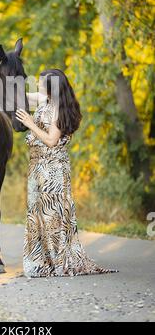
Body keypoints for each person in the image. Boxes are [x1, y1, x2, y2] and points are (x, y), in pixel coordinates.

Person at [16, 69, 117, 278]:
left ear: (51, 87)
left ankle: (57, 260)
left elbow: (52, 140)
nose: (38, 85)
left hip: (52, 169)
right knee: (37, 215)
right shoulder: (46, 100)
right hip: (37, 166)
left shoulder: (58, 109)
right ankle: (41, 259)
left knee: (52, 215)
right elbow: (25, 96)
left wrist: (29, 124)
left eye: (42, 82)